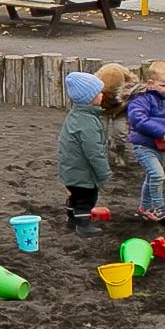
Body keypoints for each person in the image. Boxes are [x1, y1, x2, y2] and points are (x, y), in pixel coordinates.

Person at [123, 61, 165, 221]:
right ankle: (159, 208)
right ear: (151, 84)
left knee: (152, 176)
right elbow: (138, 119)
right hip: (144, 145)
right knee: (157, 175)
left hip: (160, 146)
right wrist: (161, 132)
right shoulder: (141, 99)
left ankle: (144, 208)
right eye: (164, 85)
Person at [58, 70, 114, 232]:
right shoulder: (87, 122)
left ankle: (71, 221)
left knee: (75, 197)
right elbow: (94, 152)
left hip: (71, 169)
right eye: (99, 92)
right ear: (90, 98)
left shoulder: (76, 115)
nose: (102, 95)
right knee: (86, 198)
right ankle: (83, 226)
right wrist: (104, 173)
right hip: (82, 172)